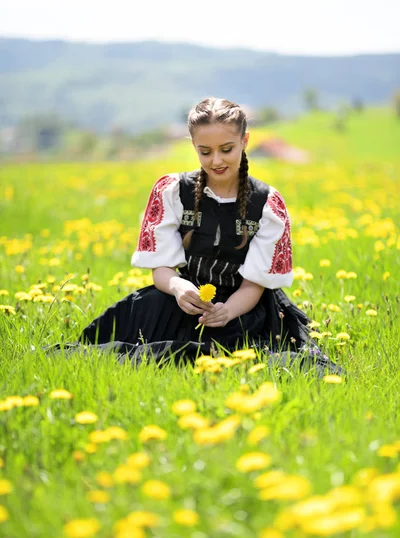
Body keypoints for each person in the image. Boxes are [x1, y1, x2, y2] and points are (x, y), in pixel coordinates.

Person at [66, 97, 342, 376]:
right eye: (205, 151)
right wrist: (178, 287)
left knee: (272, 361)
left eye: (226, 149)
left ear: (245, 140)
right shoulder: (172, 191)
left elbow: (254, 284)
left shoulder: (267, 203)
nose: (217, 160)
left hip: (244, 304)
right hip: (184, 300)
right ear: (193, 147)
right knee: (132, 343)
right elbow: (162, 268)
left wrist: (226, 312)